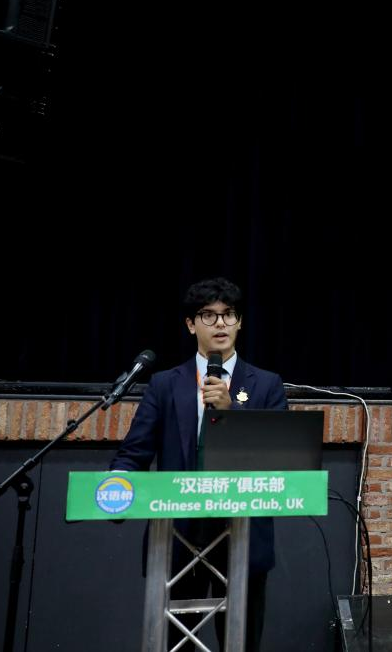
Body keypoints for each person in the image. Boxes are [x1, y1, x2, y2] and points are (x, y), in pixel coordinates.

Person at [110, 277, 287, 651]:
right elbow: (134, 452)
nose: (220, 323)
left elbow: (276, 458)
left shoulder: (267, 385)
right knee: (174, 644)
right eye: (208, 315)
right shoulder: (165, 384)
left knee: (241, 644)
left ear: (240, 322)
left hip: (243, 537)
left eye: (229, 314)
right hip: (178, 537)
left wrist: (230, 411)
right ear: (191, 324)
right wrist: (117, 481)